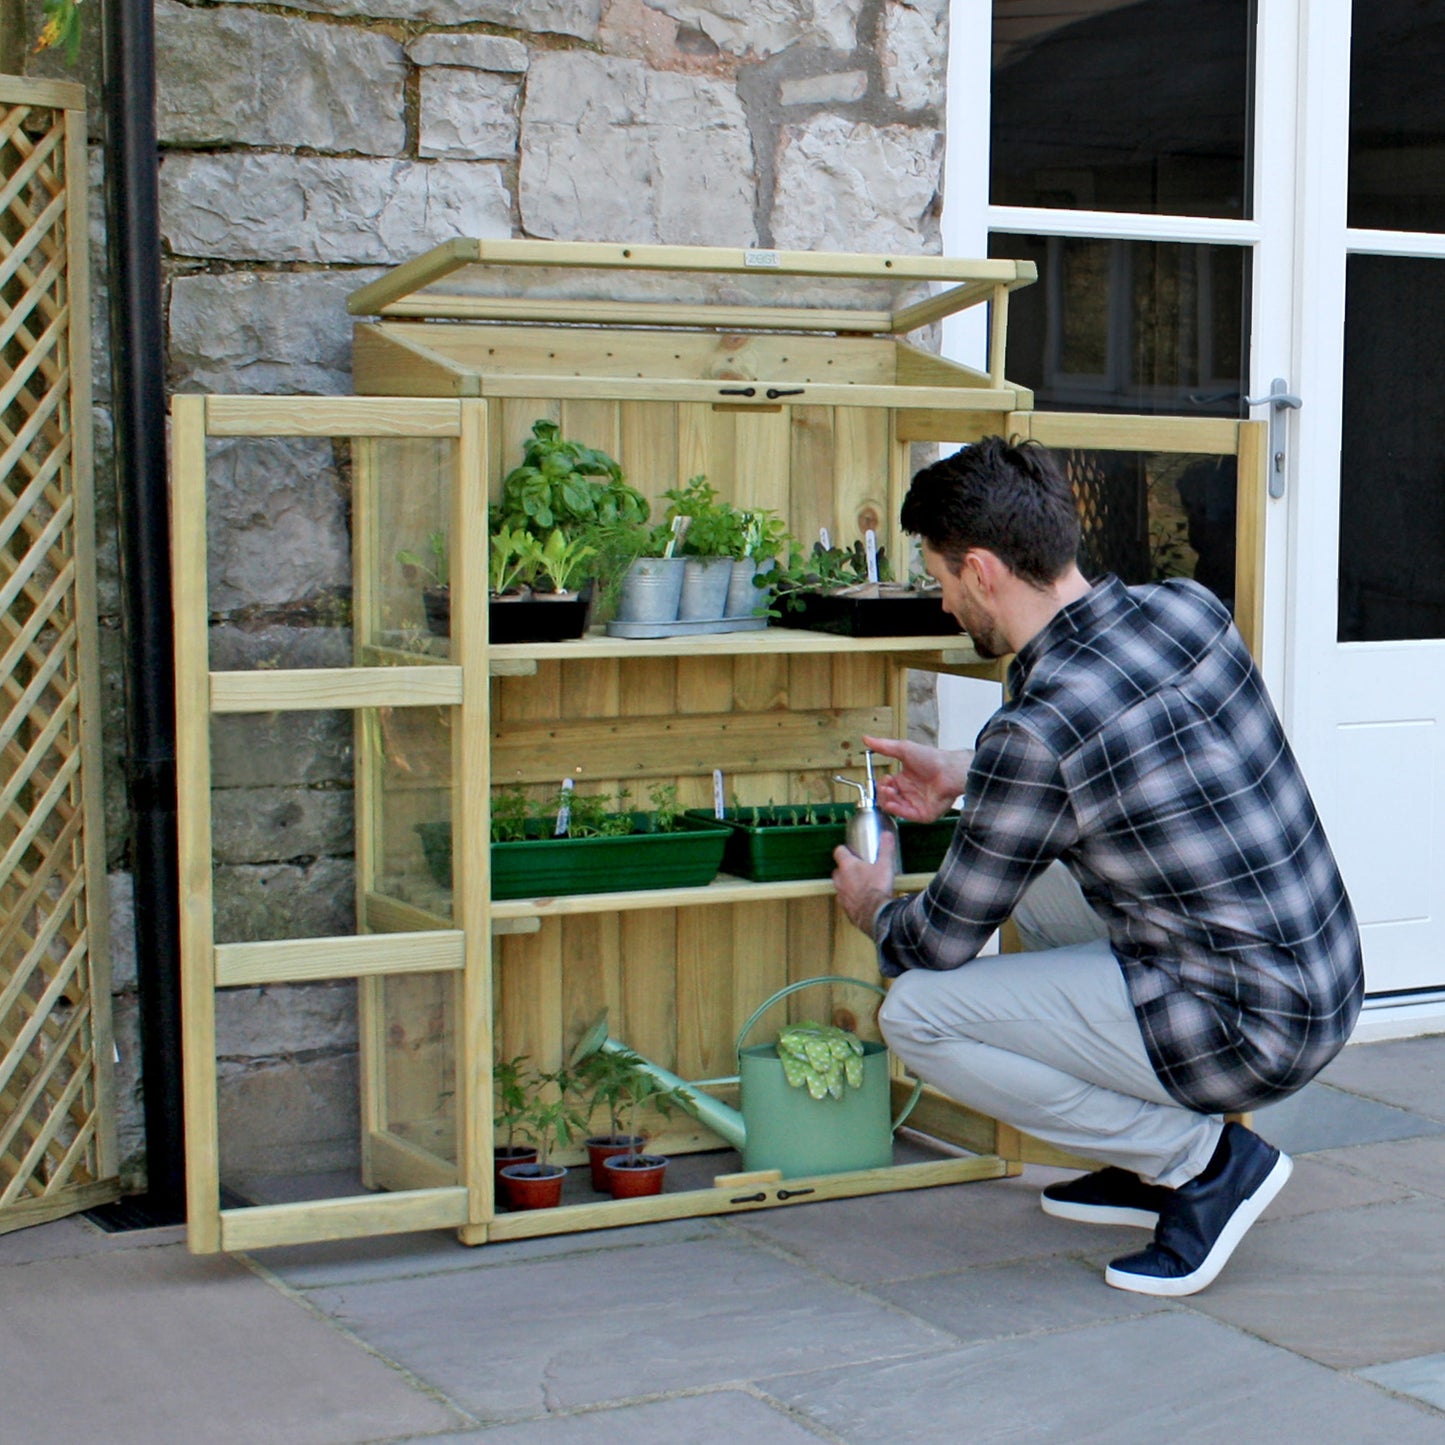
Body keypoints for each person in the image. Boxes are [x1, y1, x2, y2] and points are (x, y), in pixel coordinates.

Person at [832, 436, 1364, 1297]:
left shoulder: (1038, 728)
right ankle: (1148, 1150)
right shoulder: (1186, 608)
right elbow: (1132, 750)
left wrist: (869, 901)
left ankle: (1200, 1161)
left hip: (1245, 1028)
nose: (940, 601)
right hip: (1322, 979)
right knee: (1035, 877)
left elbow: (933, 943)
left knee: (919, 1012)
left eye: (936, 578)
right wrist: (970, 771)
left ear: (979, 569)